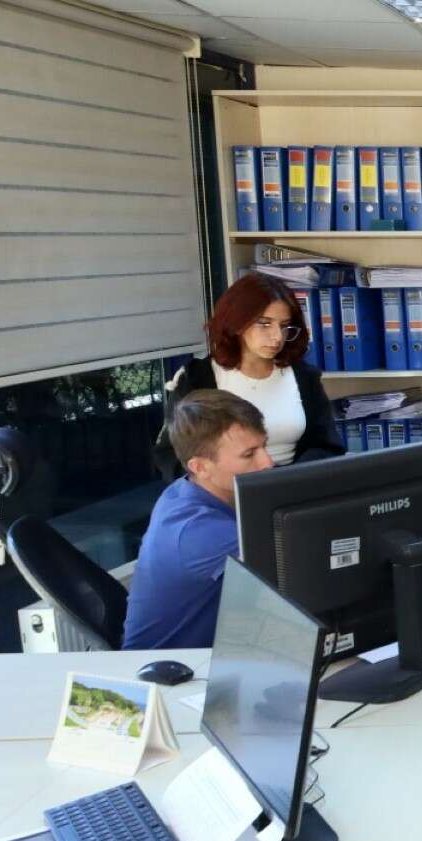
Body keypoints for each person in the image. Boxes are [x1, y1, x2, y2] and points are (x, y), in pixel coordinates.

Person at [151, 273, 342, 480]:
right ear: (237, 323)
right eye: (265, 324)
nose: (277, 337)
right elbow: (169, 454)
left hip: (295, 485)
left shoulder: (303, 376)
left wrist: (288, 480)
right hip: (224, 492)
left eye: (284, 326)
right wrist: (217, 486)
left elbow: (327, 445)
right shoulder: (196, 378)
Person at [124, 390, 273, 650]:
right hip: (177, 667)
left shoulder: (184, 490)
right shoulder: (198, 531)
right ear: (200, 467)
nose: (268, 462)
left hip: (216, 648)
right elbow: (298, 575)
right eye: (249, 454)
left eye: (265, 446)